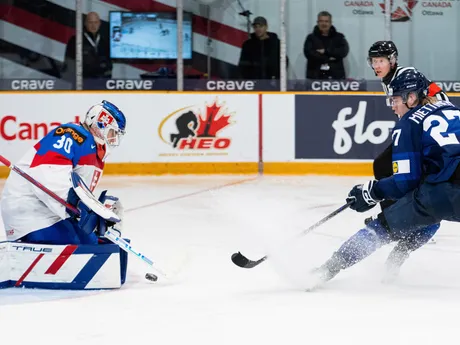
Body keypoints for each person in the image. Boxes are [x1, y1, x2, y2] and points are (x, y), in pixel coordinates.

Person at [310, 69, 460, 288]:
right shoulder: (453, 109)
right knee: (429, 213)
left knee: (386, 227)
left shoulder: (408, 123)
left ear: (411, 98)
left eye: (395, 99)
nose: (392, 106)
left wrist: (371, 192)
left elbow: (405, 181)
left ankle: (326, 270)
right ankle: (398, 257)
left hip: (441, 196)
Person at [365, 41, 448, 275]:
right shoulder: (390, 80)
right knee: (385, 166)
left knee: (386, 166)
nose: (376, 65)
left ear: (392, 60)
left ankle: (399, 218)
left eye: (381, 61)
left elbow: (431, 101)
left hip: (429, 133)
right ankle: (396, 216)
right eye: (373, 61)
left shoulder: (406, 76)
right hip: (424, 129)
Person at [1, 100, 126, 245]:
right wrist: (82, 207)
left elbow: (77, 194)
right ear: (99, 124)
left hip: (50, 213)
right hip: (30, 214)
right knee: (86, 244)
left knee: (94, 242)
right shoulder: (72, 135)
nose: (114, 138)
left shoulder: (95, 152)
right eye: (112, 132)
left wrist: (97, 211)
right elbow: (47, 176)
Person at [63, 12, 112, 80]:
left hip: (101, 83)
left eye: (95, 22)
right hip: (81, 83)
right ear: (85, 23)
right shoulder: (75, 40)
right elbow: (69, 65)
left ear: (99, 23)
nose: (93, 25)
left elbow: (109, 66)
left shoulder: (104, 42)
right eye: (90, 22)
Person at [303, 11, 349, 80]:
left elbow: (343, 51)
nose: (324, 24)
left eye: (326, 21)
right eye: (321, 21)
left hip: (336, 77)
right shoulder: (311, 38)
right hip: (315, 76)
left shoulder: (339, 37)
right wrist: (329, 58)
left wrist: (325, 51)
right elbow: (309, 54)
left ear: (330, 23)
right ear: (317, 22)